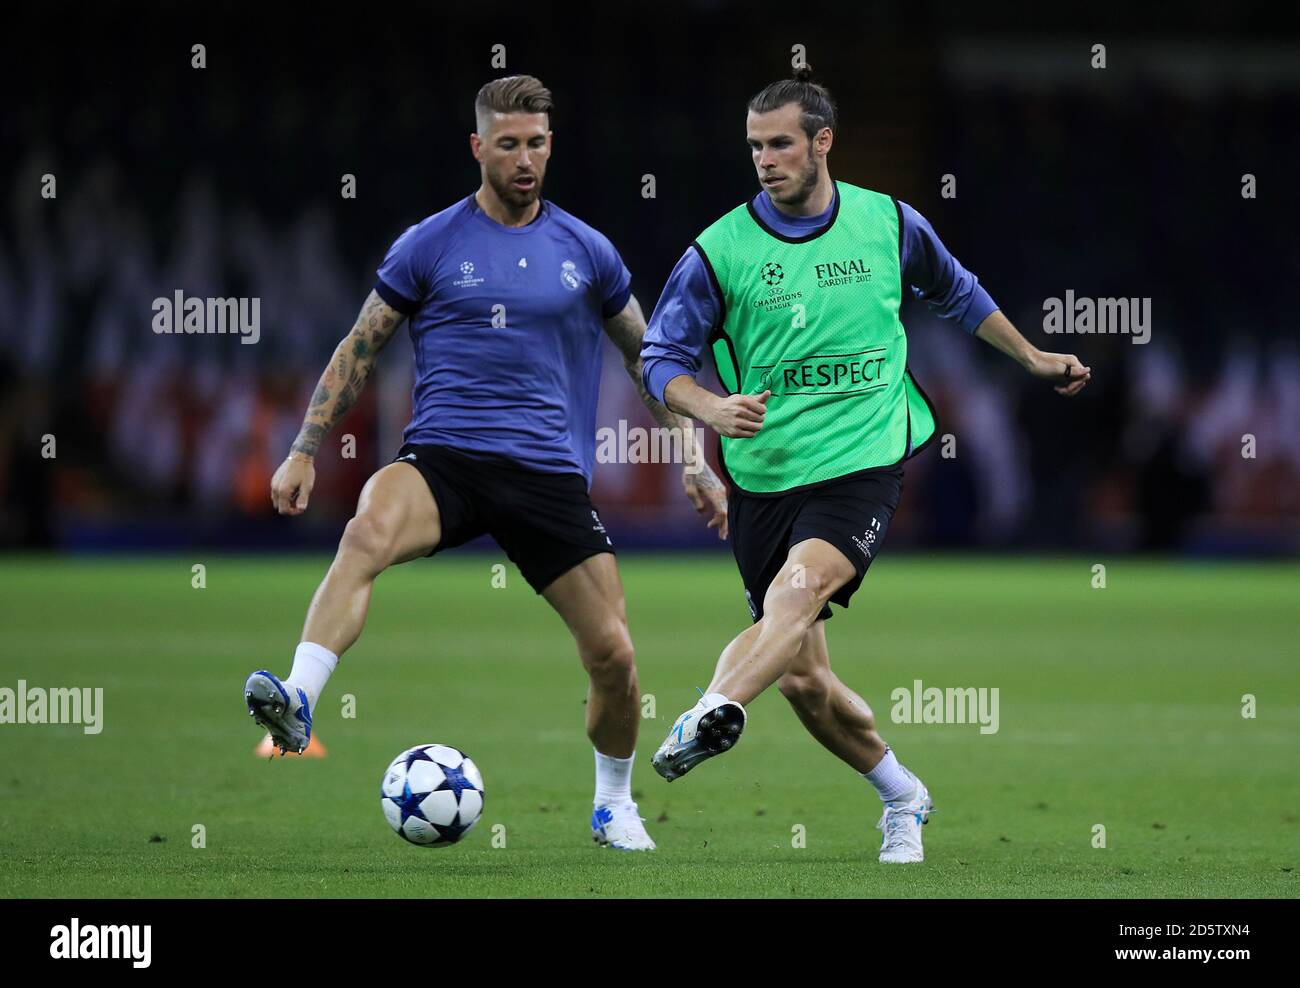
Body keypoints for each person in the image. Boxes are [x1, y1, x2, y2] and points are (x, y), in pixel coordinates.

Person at [244, 75, 728, 851]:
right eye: (509, 144)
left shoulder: (587, 252)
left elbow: (651, 358)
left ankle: (612, 805)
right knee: (366, 532)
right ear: (478, 148)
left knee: (614, 655)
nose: (526, 158)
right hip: (446, 460)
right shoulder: (430, 244)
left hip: (547, 477)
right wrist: (304, 447)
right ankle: (299, 698)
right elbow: (360, 347)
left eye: (538, 143)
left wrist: (693, 460)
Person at [641, 68, 1089, 863]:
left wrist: (1030, 356)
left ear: (823, 143)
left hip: (862, 463)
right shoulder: (718, 252)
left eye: (781, 144)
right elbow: (659, 358)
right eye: (754, 147)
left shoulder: (889, 223)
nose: (766, 160)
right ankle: (902, 796)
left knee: (800, 588)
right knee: (804, 681)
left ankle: (710, 708)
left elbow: (957, 292)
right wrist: (709, 410)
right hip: (764, 476)